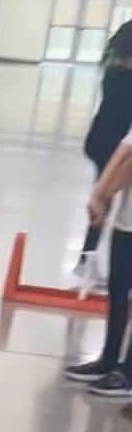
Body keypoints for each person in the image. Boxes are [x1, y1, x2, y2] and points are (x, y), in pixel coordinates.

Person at [66, 123, 132, 398]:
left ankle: (127, 373)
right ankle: (108, 359)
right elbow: (124, 150)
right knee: (118, 288)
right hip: (127, 219)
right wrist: (99, 193)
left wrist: (103, 193)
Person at [77, 21, 132, 269]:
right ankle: (87, 258)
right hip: (115, 146)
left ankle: (88, 257)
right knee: (104, 200)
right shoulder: (126, 79)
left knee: (104, 198)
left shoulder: (113, 71)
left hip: (100, 139)